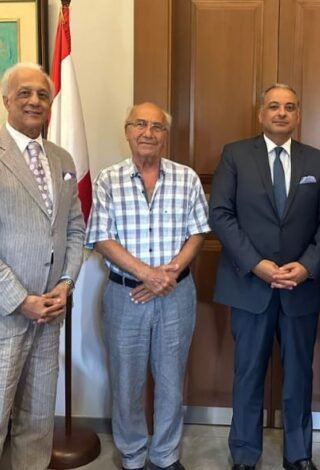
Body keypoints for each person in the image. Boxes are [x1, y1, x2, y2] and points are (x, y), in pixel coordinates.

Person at [0, 62, 85, 470]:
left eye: (42, 94)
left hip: (49, 316)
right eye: (24, 93)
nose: (34, 101)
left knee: (37, 424)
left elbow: (74, 230)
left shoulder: (62, 159)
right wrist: (21, 300)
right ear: (6, 100)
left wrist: (65, 282)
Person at [209, 83, 320, 470]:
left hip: (300, 288)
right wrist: (256, 264)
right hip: (249, 285)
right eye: (274, 106)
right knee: (248, 374)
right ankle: (244, 455)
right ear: (261, 113)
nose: (282, 113)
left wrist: (307, 265)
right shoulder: (234, 155)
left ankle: (298, 455)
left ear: (298, 115)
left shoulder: (317, 160)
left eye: (290, 107)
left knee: (299, 375)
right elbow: (221, 214)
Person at [85, 102, 209, 470]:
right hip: (125, 295)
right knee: (126, 380)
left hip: (176, 293)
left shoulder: (186, 178)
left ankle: (165, 455)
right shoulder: (108, 180)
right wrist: (147, 274)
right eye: (140, 124)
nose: (148, 132)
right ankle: (132, 454)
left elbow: (198, 232)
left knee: (171, 378)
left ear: (165, 135)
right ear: (127, 131)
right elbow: (100, 238)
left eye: (157, 126)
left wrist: (167, 274)